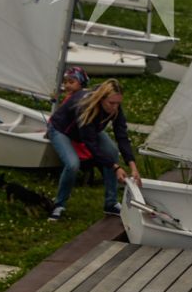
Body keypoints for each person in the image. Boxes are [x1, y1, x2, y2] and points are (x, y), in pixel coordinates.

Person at [48, 73, 142, 219]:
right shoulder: (85, 108)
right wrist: (115, 167)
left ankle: (110, 203)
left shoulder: (114, 105)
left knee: (112, 151)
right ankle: (58, 204)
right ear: (101, 99)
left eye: (118, 103)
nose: (115, 107)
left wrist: (133, 167)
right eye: (111, 103)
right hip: (61, 130)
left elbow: (122, 136)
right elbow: (90, 145)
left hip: (89, 130)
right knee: (73, 164)